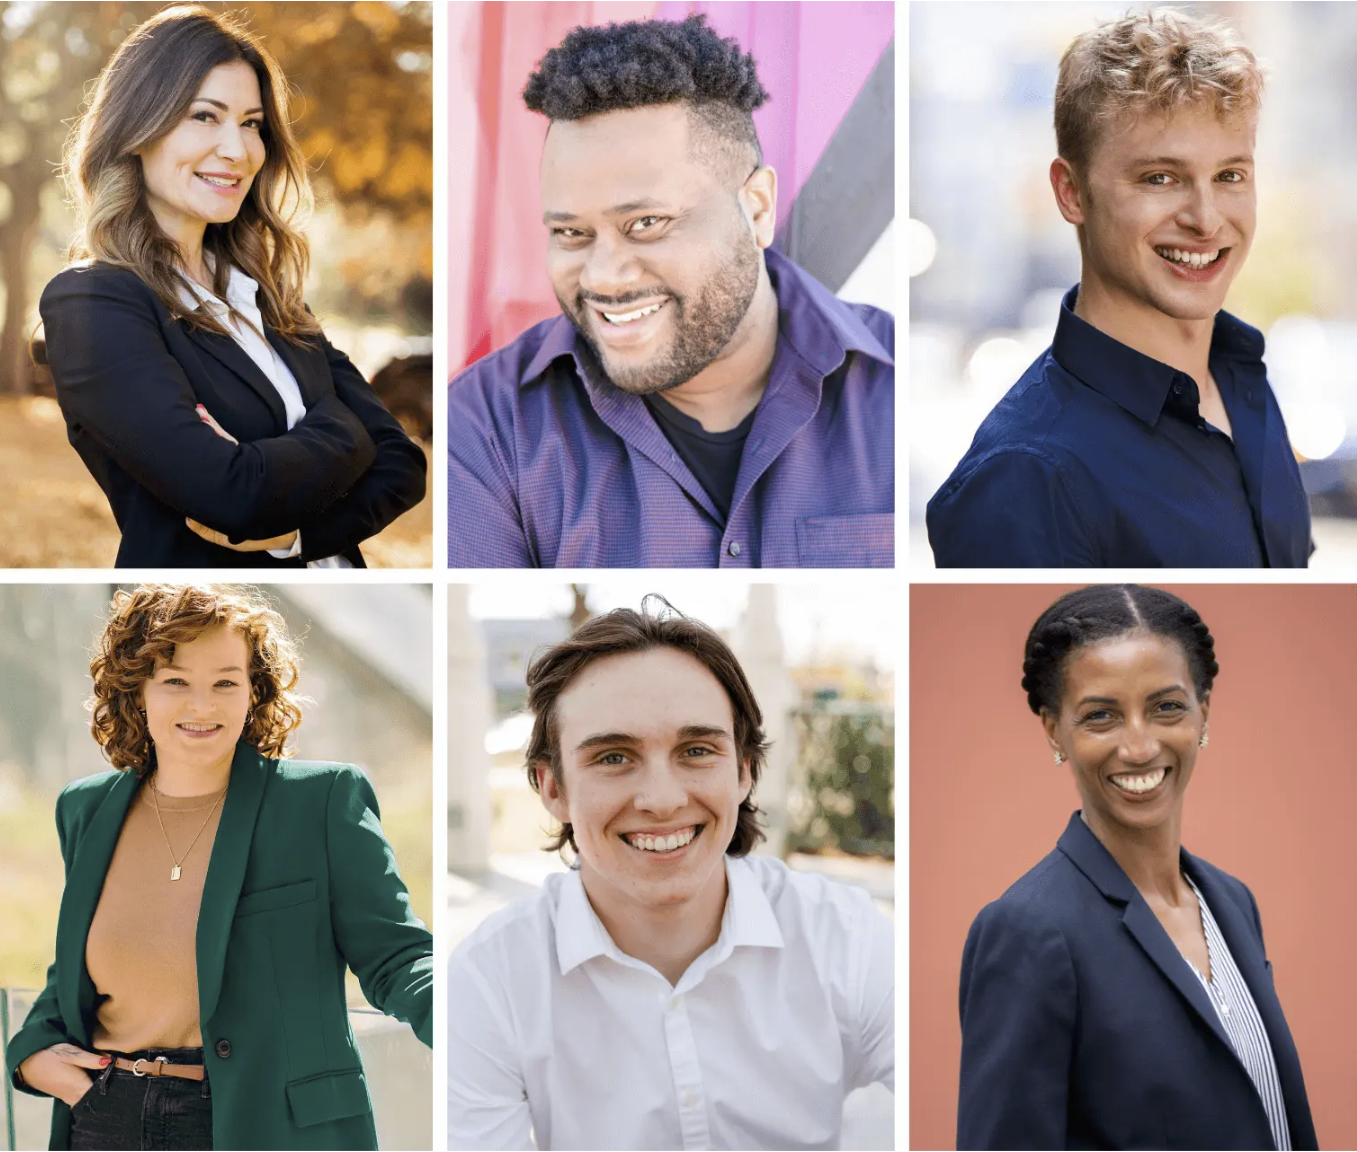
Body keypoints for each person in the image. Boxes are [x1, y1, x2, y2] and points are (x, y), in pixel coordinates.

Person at [448, 14, 894, 568]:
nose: (603, 277)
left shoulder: (900, 386)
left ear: (756, 209)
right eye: (571, 233)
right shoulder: (483, 428)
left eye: (647, 223)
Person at [448, 601, 894, 1149]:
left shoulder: (848, 937)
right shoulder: (488, 981)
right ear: (552, 788)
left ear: (744, 771)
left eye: (697, 750)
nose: (661, 799)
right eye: (614, 757)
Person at [5, 585, 432, 1151]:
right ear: (137, 691)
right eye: (176, 681)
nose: (202, 706)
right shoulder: (84, 809)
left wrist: (469, 1016)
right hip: (106, 1117)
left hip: (269, 1125)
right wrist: (32, 1054)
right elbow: (77, 972)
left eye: (225, 682)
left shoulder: (321, 801)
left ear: (254, 692)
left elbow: (395, 955)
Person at [40, 6, 426, 568]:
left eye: (250, 123)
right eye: (204, 116)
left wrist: (299, 535)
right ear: (136, 128)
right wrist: (344, 425)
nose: (237, 149)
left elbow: (401, 463)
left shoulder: (268, 296)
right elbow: (230, 496)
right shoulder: (93, 303)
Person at [927, 10, 1311, 568]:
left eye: (1230, 176)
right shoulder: (1027, 476)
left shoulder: (1242, 376)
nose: (1206, 220)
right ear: (1071, 193)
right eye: (1160, 178)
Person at [957, 585, 1315, 1150]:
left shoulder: (1232, 901)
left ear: (1204, 712)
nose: (1140, 746)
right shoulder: (1027, 929)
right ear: (1055, 732)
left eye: (1166, 706)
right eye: (1101, 716)